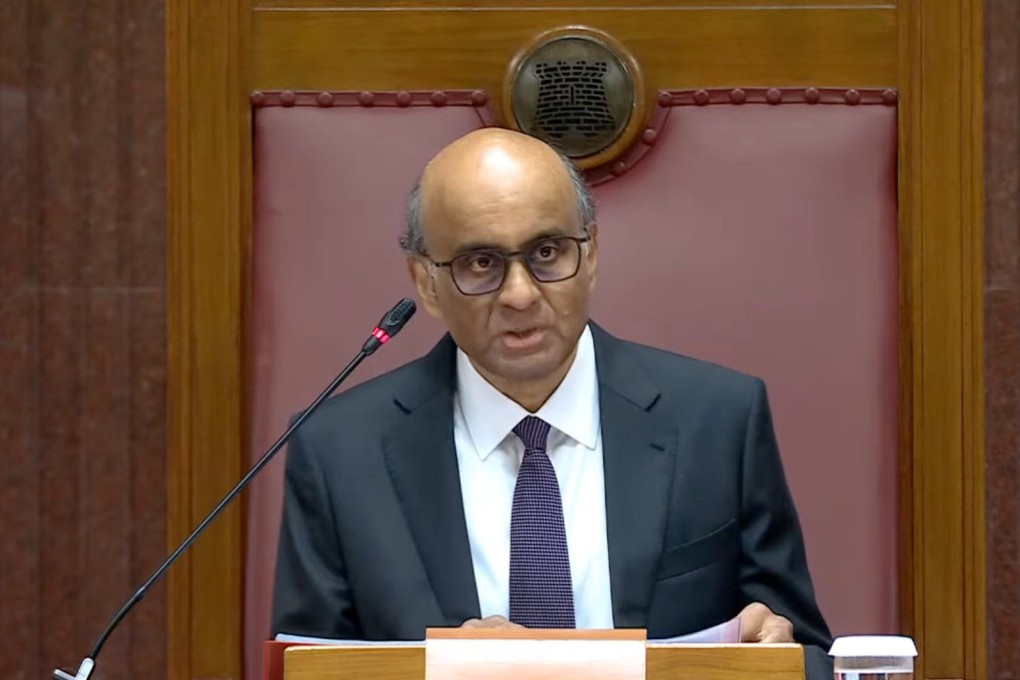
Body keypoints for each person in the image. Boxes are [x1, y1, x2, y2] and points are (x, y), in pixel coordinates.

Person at [272, 128, 833, 679]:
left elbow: (806, 653)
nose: (520, 294)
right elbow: (308, 669)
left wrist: (777, 658)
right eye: (481, 263)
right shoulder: (339, 453)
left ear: (590, 254)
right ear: (425, 282)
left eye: (546, 252)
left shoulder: (719, 420)